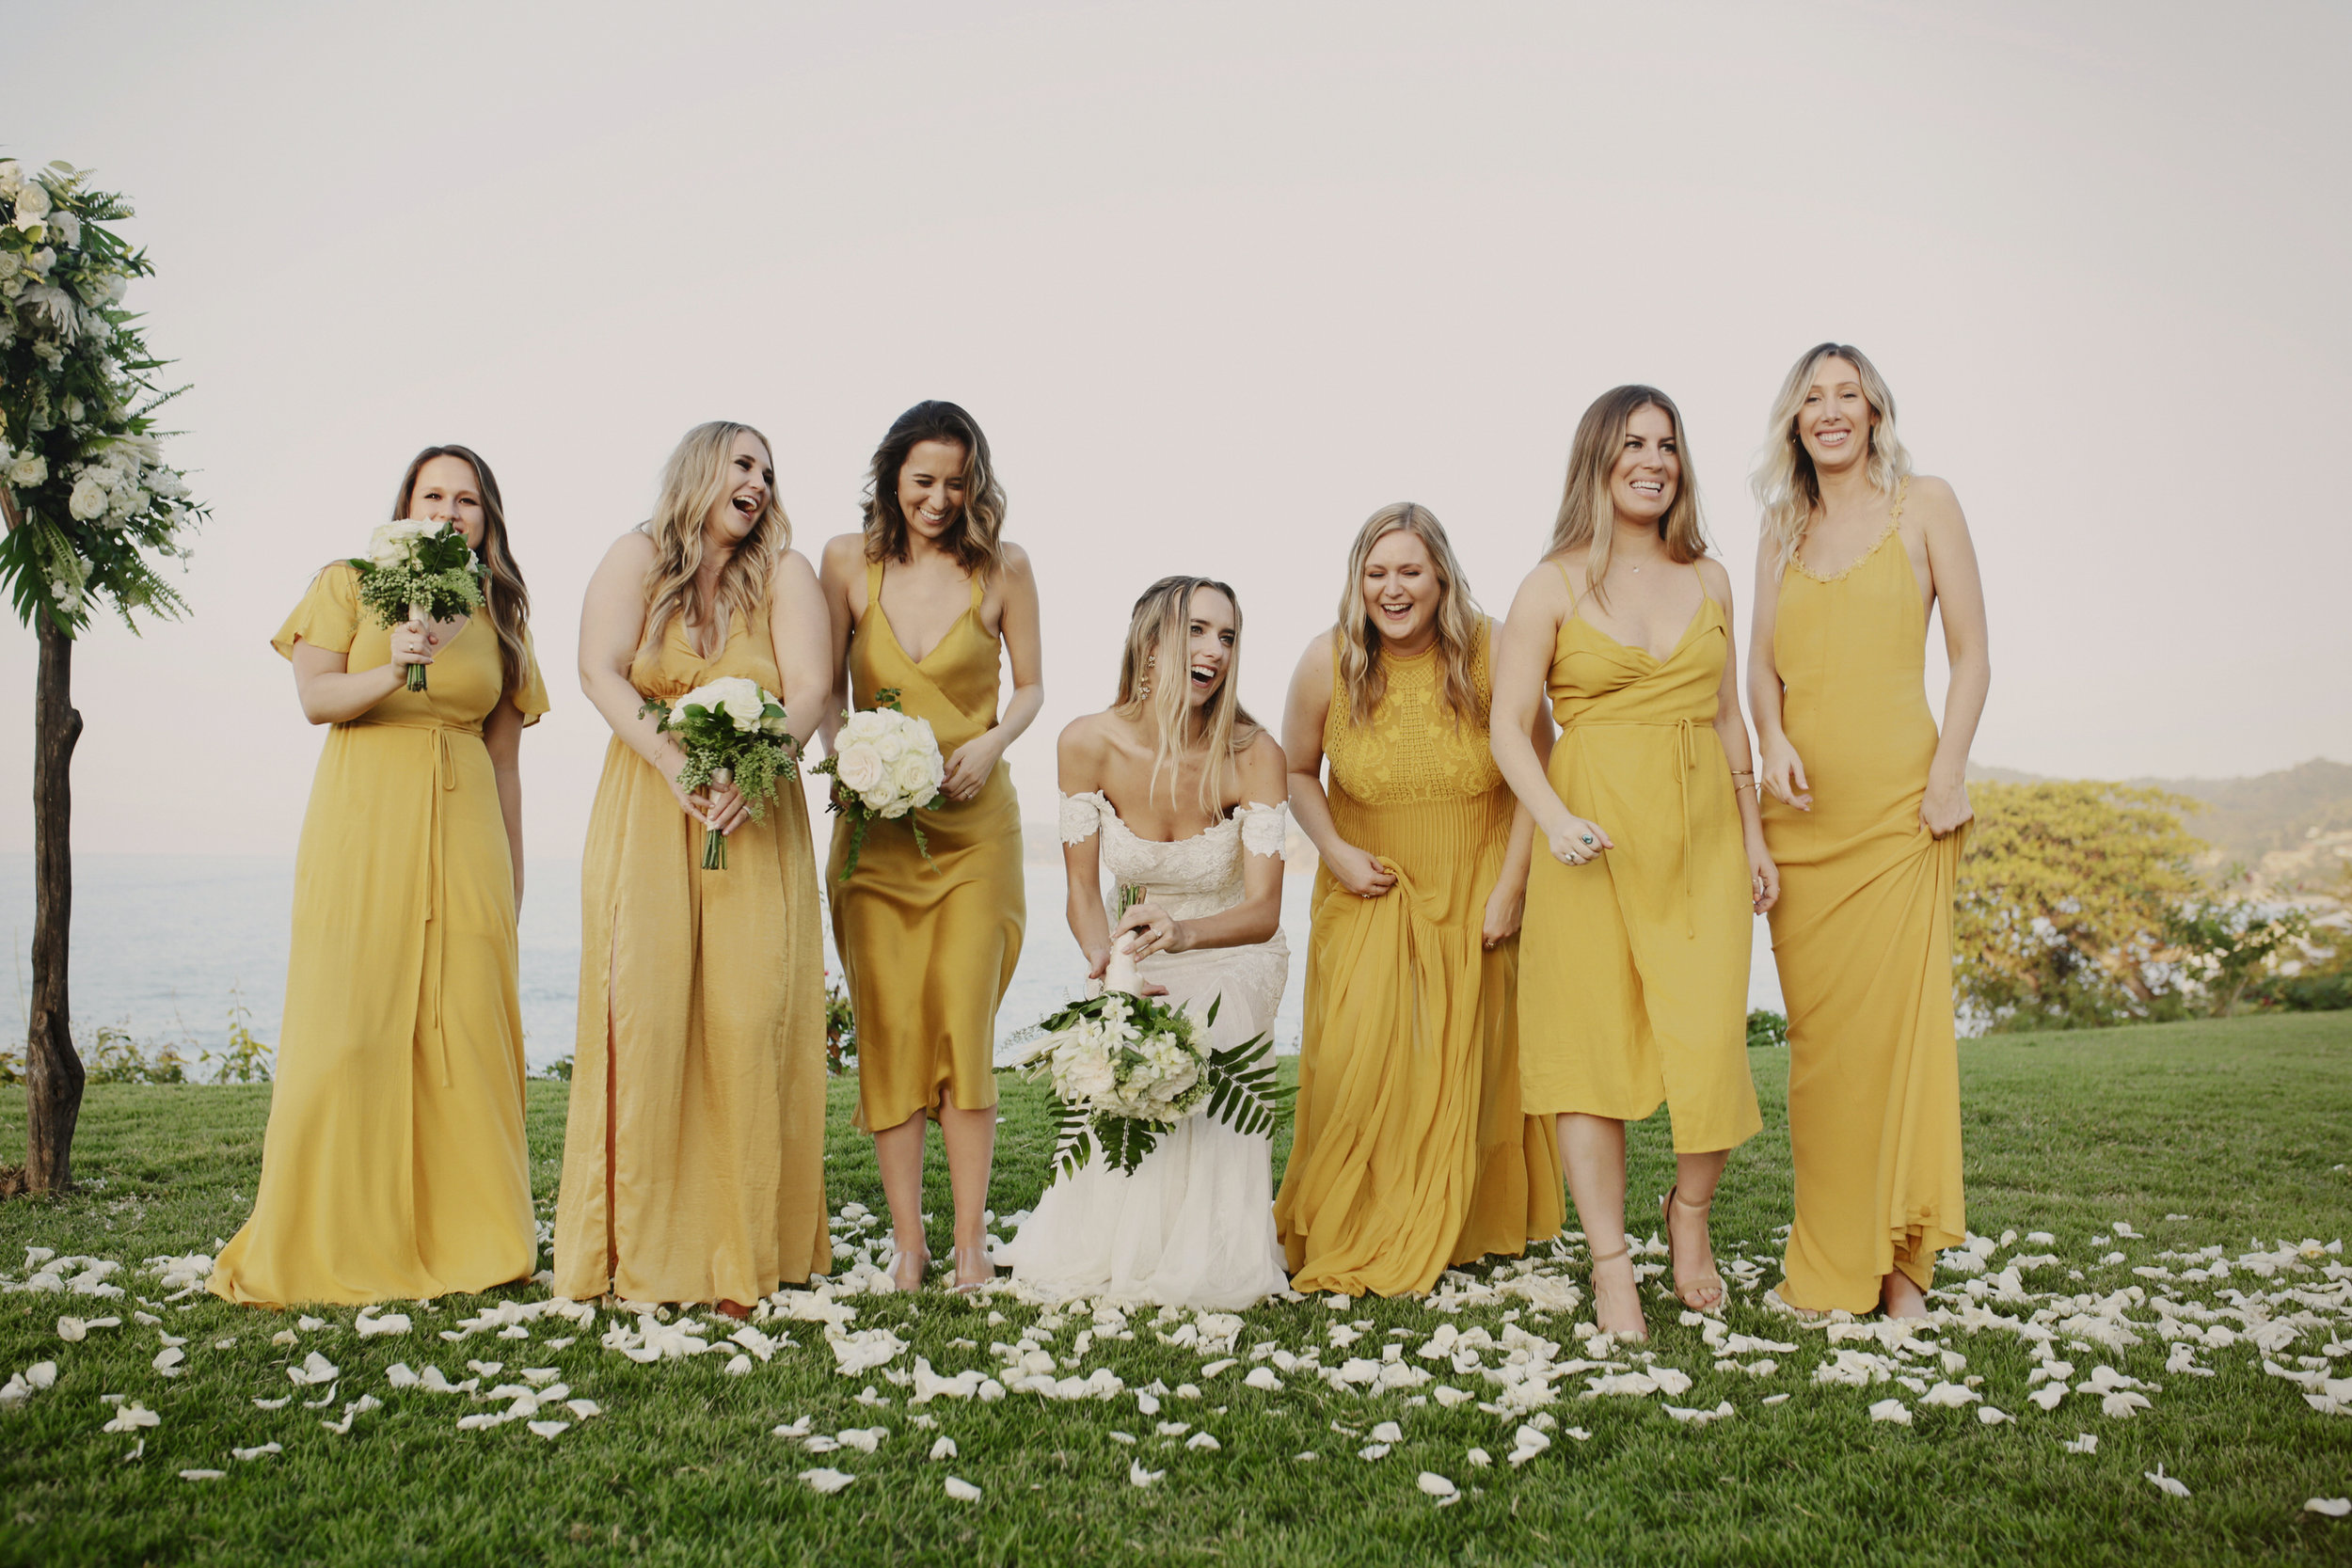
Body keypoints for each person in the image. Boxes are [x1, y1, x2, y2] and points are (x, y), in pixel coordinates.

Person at [211, 445, 546, 1307]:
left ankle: (475, 1237)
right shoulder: (349, 581)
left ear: (486, 518)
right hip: (363, 822)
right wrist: (394, 662)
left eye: (467, 499)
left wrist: (512, 874)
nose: (449, 510)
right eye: (433, 493)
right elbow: (316, 698)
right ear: (405, 504)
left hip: (467, 824)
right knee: (349, 1026)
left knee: (464, 1030)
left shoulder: (500, 609)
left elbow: (504, 760)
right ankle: (334, 1235)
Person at [1492, 386, 1773, 1341]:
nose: (1653, 460)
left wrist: (1756, 834)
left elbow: (1730, 716)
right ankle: (1611, 1265)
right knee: (1590, 1052)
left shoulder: (1712, 579)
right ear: (1599, 460)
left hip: (1700, 835)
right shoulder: (1552, 583)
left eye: (1667, 444)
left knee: (1708, 1043)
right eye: (1633, 444)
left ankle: (1685, 1216)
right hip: (1590, 837)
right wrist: (1553, 819)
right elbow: (1507, 727)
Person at [553, 420, 834, 1309]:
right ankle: (640, 1247)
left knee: (751, 1018)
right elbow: (600, 671)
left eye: (767, 470)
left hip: (755, 809)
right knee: (647, 1014)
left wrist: (759, 773)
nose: (757, 480)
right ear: (700, 471)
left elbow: (813, 688)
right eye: (741, 462)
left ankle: (746, 1246)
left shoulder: (785, 573)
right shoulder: (635, 556)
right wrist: (675, 763)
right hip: (648, 802)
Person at [1747, 343, 1987, 1319]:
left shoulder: (1926, 503)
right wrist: (1769, 740)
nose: (1831, 411)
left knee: (1900, 1039)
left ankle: (1901, 1267)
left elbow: (1971, 656)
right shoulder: (1777, 526)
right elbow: (1758, 669)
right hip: (1801, 819)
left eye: (1848, 394)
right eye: (1813, 397)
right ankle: (1834, 1253)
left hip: (1902, 807)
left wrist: (1947, 774)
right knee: (1822, 1051)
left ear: (1876, 412)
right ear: (1794, 420)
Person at [1274, 503, 1565, 1297]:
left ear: (1441, 574)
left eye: (1409, 571)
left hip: (1478, 878)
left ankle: (1458, 1224)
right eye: (1376, 573)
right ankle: (1354, 1220)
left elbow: (1541, 769)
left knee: (1462, 1062)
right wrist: (1334, 850)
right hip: (1369, 881)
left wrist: (1512, 887)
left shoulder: (1494, 648)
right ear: (1356, 580)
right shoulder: (1326, 660)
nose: (1392, 589)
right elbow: (1297, 771)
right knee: (1359, 1061)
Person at [997, 577, 1294, 1308]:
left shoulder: (1252, 752)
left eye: (1227, 636)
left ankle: (1207, 1255)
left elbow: (1262, 909)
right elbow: (1079, 892)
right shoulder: (1087, 742)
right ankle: (1121, 1243)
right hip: (1136, 949)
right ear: (1151, 643)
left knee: (1210, 1017)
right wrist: (1110, 968)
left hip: (1232, 945)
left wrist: (1185, 931)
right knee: (1129, 1033)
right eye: (1197, 630)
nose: (1214, 650)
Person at [818, 401, 1041, 1291]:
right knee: (893, 1029)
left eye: (956, 482)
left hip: (975, 830)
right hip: (875, 835)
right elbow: (826, 690)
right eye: (923, 481)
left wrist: (990, 743)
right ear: (892, 476)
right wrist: (846, 757)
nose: (940, 498)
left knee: (962, 1023)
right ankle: (909, 1244)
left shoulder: (1006, 568)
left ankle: (972, 1240)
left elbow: (1031, 688)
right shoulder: (844, 562)